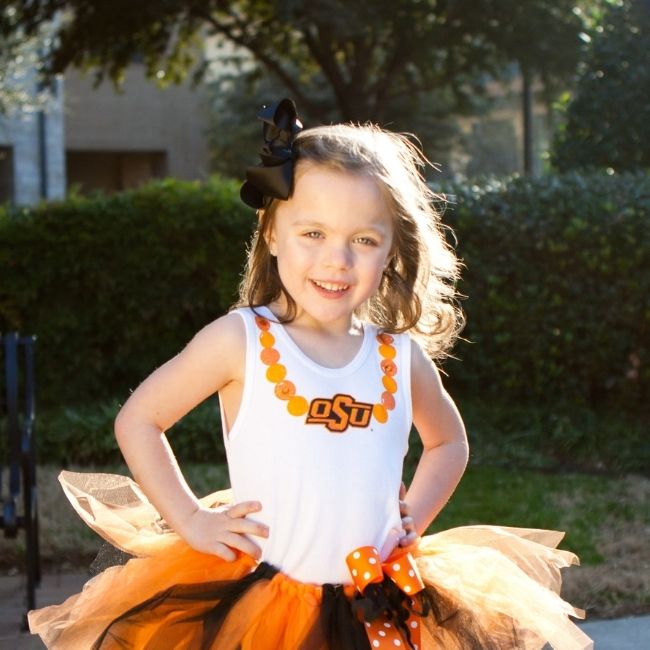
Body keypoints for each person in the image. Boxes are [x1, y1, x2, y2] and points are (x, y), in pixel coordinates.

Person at [29, 99, 592, 649]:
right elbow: (139, 420)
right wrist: (192, 519)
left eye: (364, 240)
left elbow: (449, 442)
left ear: (392, 250)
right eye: (313, 233)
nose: (336, 260)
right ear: (272, 233)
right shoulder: (242, 340)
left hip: (376, 602)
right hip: (262, 610)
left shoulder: (399, 358)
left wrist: (412, 520)